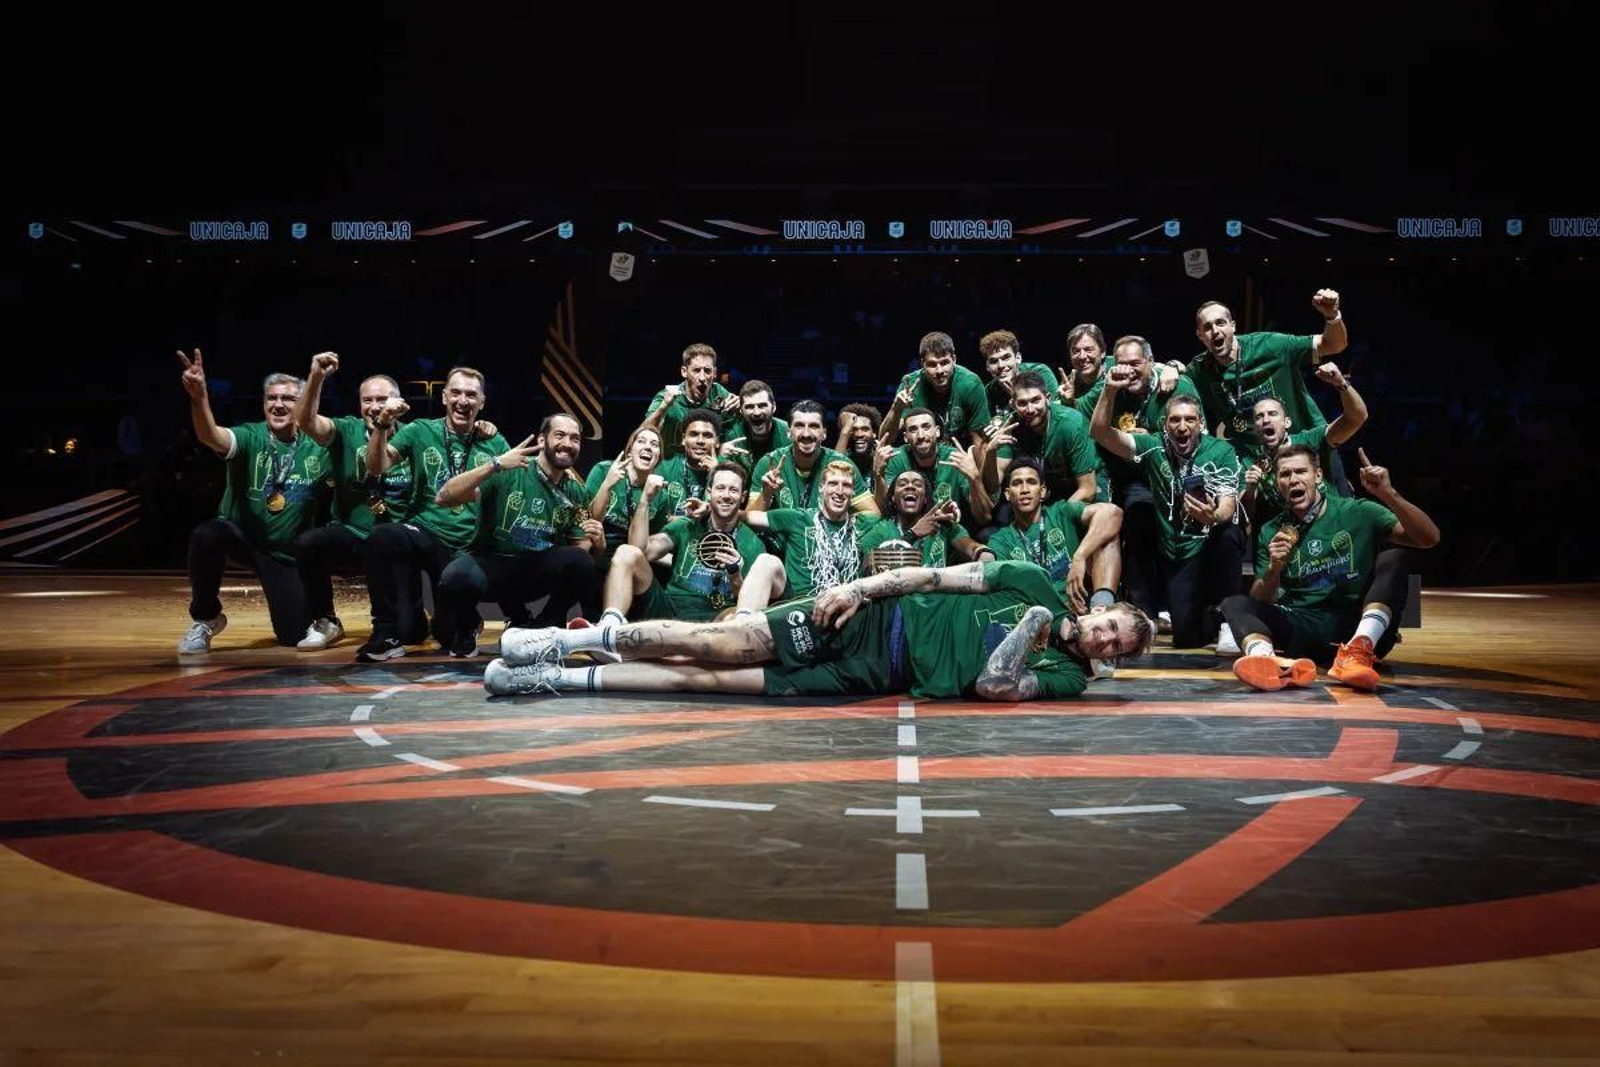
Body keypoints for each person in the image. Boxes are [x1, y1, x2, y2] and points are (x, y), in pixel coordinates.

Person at [485, 559, 1153, 701]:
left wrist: (1034, 631)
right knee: (715, 641)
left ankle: (558, 679)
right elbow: (932, 577)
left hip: (873, 675)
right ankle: (559, 638)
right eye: (1111, 623)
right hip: (873, 619)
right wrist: (858, 587)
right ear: (1102, 606)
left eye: (1117, 644)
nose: (1105, 637)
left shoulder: (1068, 677)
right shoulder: (1032, 580)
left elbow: (993, 684)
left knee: (708, 681)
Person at [1222, 446, 1440, 692]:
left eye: (1301, 471)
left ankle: (1359, 650)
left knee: (1395, 557)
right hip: (1304, 627)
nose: (1293, 479)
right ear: (1277, 482)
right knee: (1234, 603)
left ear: (1317, 476)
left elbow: (1428, 538)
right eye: (1284, 474)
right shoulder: (1271, 530)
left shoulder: (1357, 512)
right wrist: (1274, 568)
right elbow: (1263, 599)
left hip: (1355, 624)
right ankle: (1269, 662)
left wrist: (1389, 494)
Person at [175, 349, 327, 653]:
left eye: (287, 399)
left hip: (282, 554)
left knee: (292, 637)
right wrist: (200, 397)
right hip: (243, 538)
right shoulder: (250, 436)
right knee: (207, 535)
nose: (278, 404)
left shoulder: (319, 447)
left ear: (303, 405)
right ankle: (207, 617)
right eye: (271, 398)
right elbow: (211, 437)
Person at [356, 366, 510, 661]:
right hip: (425, 533)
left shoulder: (495, 442)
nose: (462, 400)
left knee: (446, 635)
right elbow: (376, 468)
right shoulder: (420, 430)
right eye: (455, 393)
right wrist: (381, 427)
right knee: (383, 534)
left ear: (482, 403)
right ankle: (386, 633)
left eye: (470, 395)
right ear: (443, 397)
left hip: (468, 547)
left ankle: (466, 623)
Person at [289, 351, 436, 650]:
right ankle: (325, 620)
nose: (374, 406)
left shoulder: (415, 435)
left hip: (397, 542)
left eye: (381, 399)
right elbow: (304, 421)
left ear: (398, 403)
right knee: (309, 543)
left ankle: (417, 614)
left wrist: (486, 428)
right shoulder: (345, 430)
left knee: (412, 634)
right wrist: (316, 376)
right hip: (353, 534)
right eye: (367, 400)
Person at [1090, 370, 1243, 648]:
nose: (1181, 426)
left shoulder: (1221, 451)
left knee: (1229, 534)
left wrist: (1213, 515)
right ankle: (1204, 614)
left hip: (1208, 545)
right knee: (1186, 638)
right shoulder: (1153, 447)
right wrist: (1109, 392)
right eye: (1175, 419)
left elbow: (1228, 506)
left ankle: (1229, 620)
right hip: (1176, 551)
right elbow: (1100, 433)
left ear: (1201, 424)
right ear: (1165, 425)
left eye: (1189, 420)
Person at [432, 413, 604, 656]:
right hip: (492, 565)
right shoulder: (510, 469)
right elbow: (443, 497)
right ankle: (468, 625)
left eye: (575, 438)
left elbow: (580, 549)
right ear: (542, 441)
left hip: (533, 571)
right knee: (453, 585)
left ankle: (544, 625)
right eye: (560, 435)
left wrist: (597, 542)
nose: (568, 443)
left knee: (582, 563)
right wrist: (495, 464)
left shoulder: (575, 490)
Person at [571, 463, 777, 650]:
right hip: (669, 610)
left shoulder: (752, 543)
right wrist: (645, 500)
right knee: (626, 553)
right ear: (709, 492)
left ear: (742, 497)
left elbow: (749, 604)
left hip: (715, 619)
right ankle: (609, 630)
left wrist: (734, 574)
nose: (726, 495)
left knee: (735, 617)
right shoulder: (686, 526)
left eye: (733, 490)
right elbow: (641, 550)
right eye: (720, 488)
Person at [1185, 289, 1349, 453]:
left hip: (1309, 445)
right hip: (1259, 462)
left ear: (1233, 326)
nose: (1215, 331)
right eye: (1207, 327)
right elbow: (1174, 383)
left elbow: (1334, 344)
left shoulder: (1271, 346)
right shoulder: (1199, 370)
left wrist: (1332, 317)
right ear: (1199, 335)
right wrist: (1171, 366)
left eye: (1220, 323)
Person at [1236, 365, 1368, 527]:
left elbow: (1357, 417)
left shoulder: (1311, 440)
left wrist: (1341, 383)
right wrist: (1250, 490)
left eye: (1273, 414)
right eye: (1259, 417)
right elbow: (1245, 518)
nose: (1266, 420)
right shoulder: (1250, 464)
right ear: (1255, 429)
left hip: (1334, 523)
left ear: (1287, 423)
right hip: (1291, 536)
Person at [984, 371, 1099, 503]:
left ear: (1048, 398)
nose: (1030, 409)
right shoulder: (1009, 427)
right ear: (1013, 404)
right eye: (1022, 403)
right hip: (1041, 489)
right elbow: (992, 486)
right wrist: (990, 451)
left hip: (1080, 484)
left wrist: (1054, 518)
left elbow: (1087, 490)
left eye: (1035, 400)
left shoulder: (1071, 424)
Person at [749, 400, 877, 515]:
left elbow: (872, 514)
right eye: (799, 426)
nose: (806, 433)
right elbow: (748, 519)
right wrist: (765, 496)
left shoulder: (841, 464)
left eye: (814, 426)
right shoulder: (770, 464)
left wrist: (842, 524)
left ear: (824, 434)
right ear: (789, 432)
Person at [875, 406, 992, 525]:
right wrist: (878, 475)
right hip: (909, 528)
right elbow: (884, 511)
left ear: (937, 432)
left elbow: (985, 517)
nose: (921, 435)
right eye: (913, 430)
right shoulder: (896, 458)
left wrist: (975, 477)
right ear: (905, 437)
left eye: (926, 427)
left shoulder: (955, 458)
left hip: (948, 529)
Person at [861, 467, 993, 569]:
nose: (910, 486)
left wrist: (983, 553)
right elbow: (865, 565)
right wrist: (912, 535)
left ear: (925, 499)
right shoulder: (881, 530)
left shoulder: (941, 524)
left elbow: (971, 547)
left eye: (917, 484)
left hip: (937, 600)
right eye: (902, 484)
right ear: (893, 498)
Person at [880, 331, 992, 448]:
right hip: (920, 455)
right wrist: (895, 409)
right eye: (932, 364)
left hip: (960, 455)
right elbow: (884, 441)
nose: (939, 371)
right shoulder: (910, 385)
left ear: (954, 360)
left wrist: (973, 466)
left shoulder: (970, 384)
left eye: (944, 363)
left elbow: (980, 441)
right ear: (923, 364)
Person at [585, 425, 669, 566]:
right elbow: (587, 521)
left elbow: (648, 545)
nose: (648, 447)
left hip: (630, 561)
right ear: (629, 451)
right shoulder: (604, 470)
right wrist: (607, 485)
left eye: (654, 444)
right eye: (641, 441)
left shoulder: (660, 494)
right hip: (594, 550)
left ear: (658, 458)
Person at [641, 342, 741, 458]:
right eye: (696, 370)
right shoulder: (666, 397)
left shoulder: (718, 393)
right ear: (684, 372)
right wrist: (664, 406)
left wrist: (739, 408)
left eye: (707, 371)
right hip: (671, 465)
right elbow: (643, 434)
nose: (702, 378)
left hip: (705, 463)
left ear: (714, 373)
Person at [979, 329, 1059, 424]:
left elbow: (1054, 413)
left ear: (1018, 358)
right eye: (993, 361)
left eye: (1006, 358)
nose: (1000, 365)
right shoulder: (988, 393)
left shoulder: (1040, 373)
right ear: (987, 367)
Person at [720, 379, 790, 471]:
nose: (756, 412)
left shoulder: (788, 433)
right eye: (749, 407)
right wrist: (720, 457)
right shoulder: (729, 434)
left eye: (762, 406)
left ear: (773, 407)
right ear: (741, 410)